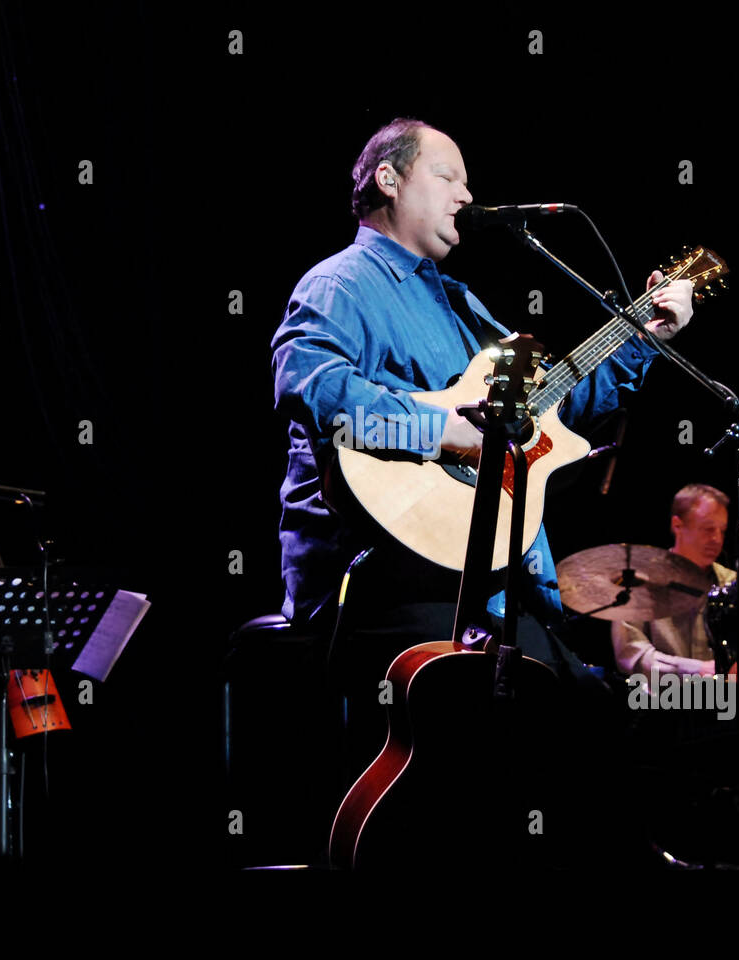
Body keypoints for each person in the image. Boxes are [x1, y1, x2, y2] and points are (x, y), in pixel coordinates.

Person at [270, 118, 694, 817]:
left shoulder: (459, 302)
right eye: (449, 176)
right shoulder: (342, 283)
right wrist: (443, 433)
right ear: (389, 179)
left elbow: (557, 404)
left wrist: (646, 336)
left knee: (586, 712)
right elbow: (310, 387)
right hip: (380, 576)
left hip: (477, 577)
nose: (468, 194)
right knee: (566, 712)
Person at [611, 483, 736, 680]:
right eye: (708, 529)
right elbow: (631, 652)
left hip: (723, 701)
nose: (717, 539)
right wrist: (695, 669)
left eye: (722, 530)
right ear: (677, 525)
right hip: (663, 703)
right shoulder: (640, 580)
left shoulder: (732, 583)